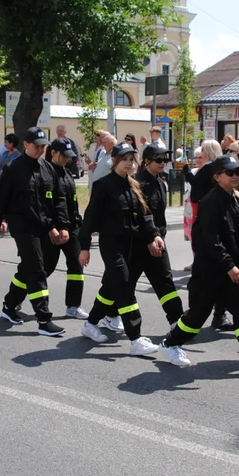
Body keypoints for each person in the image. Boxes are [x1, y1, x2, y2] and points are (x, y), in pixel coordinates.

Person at [156, 155, 239, 377]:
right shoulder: (210, 202)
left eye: (238, 172)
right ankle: (170, 344)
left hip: (231, 271)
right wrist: (228, 264)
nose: (235, 176)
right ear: (217, 176)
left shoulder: (235, 201)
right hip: (210, 272)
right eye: (230, 173)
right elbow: (210, 240)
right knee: (197, 316)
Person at [77, 142, 161, 355]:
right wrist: (84, 248)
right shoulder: (103, 185)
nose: (129, 163)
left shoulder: (133, 185)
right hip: (111, 244)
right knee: (124, 286)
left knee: (111, 286)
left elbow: (144, 215)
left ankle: (90, 324)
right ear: (115, 160)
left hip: (130, 245)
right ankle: (135, 339)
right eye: (124, 159)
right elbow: (89, 218)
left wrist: (154, 236)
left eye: (132, 159)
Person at [0, 127, 68, 336]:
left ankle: (9, 304)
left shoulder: (47, 168)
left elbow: (57, 200)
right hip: (23, 228)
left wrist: (60, 225)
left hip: (45, 228)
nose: (40, 150)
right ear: (26, 145)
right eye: (36, 146)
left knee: (29, 269)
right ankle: (44, 319)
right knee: (37, 270)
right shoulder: (13, 169)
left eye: (43, 146)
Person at [129, 144, 185, 326]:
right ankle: (99, 318)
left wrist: (159, 237)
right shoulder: (138, 184)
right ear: (146, 161)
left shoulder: (161, 183)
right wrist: (149, 239)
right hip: (139, 244)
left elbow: (159, 217)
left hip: (158, 242)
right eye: (159, 160)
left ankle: (177, 320)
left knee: (165, 280)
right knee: (124, 284)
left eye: (165, 159)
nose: (163, 163)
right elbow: (143, 216)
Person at [44, 136, 88, 319]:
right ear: (53, 153)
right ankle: (14, 301)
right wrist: (52, 227)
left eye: (70, 156)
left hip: (71, 228)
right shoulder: (45, 173)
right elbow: (45, 205)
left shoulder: (66, 172)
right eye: (64, 156)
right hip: (53, 230)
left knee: (76, 266)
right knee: (45, 268)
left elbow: (71, 203)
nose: (68, 159)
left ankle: (73, 306)